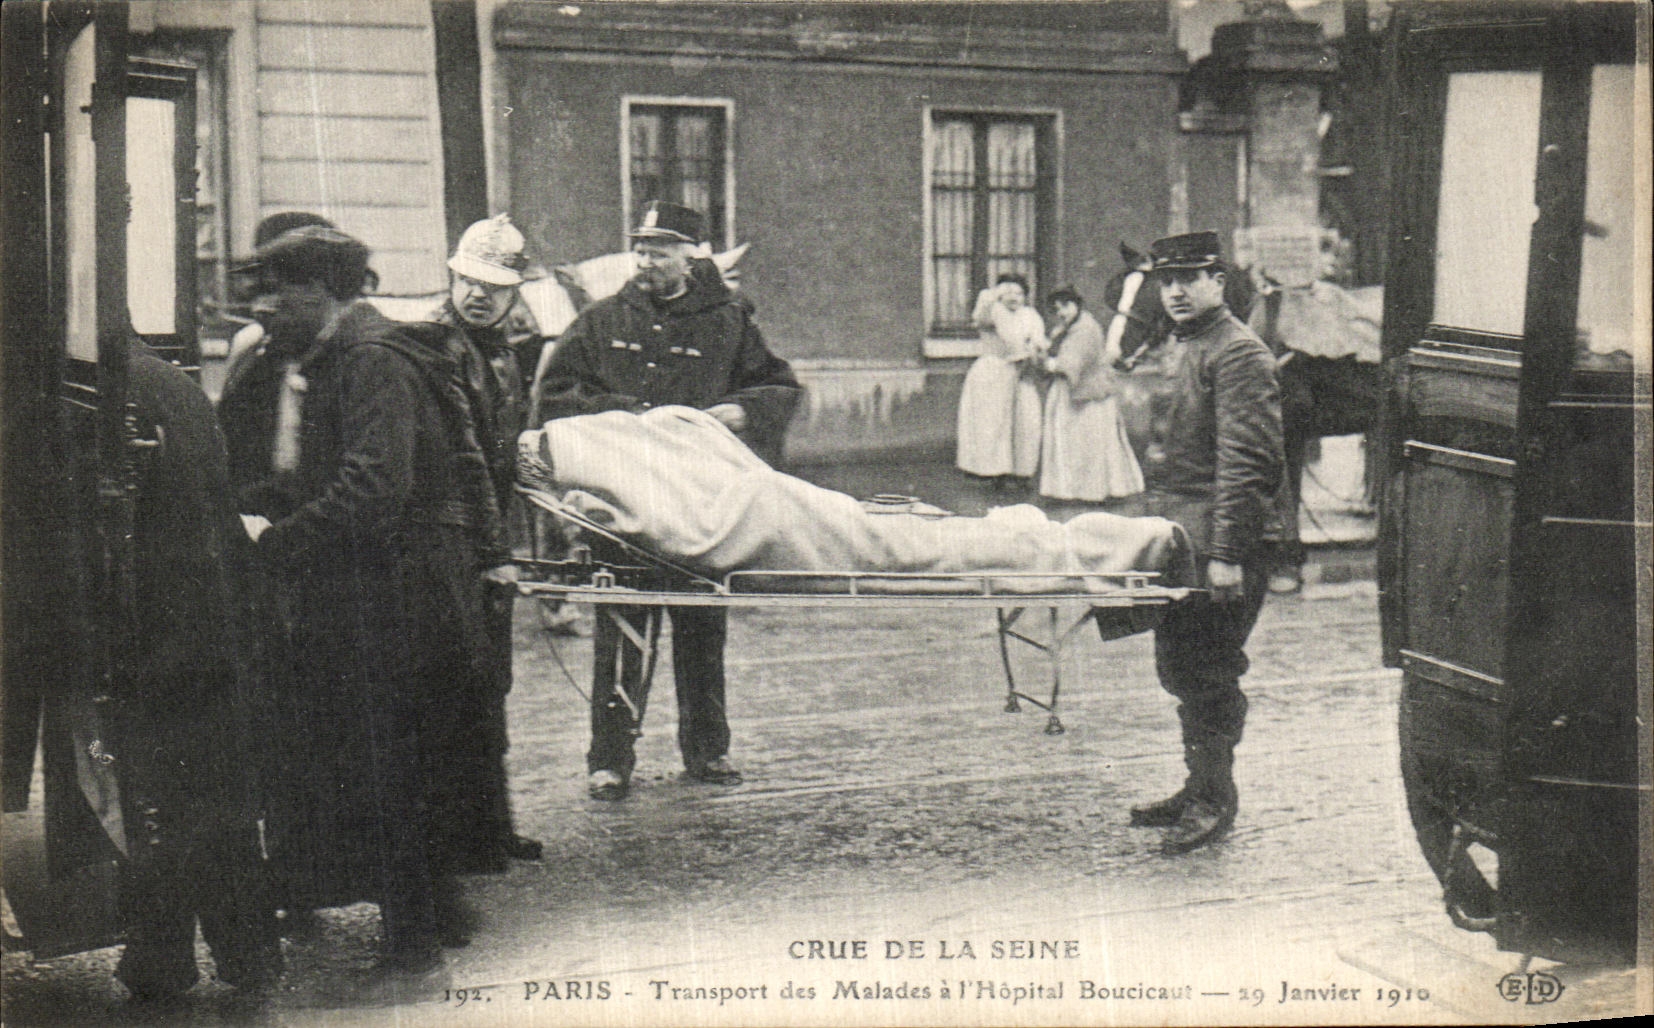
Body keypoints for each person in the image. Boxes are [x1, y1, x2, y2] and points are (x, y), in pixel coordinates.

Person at [233, 225, 496, 992]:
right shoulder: (332, 358)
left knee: (389, 768)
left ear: (327, 293)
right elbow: (320, 474)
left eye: (280, 291)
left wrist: (275, 540)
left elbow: (375, 488)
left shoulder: (372, 361)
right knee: (381, 763)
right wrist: (257, 507)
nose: (265, 307)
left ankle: (415, 949)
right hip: (379, 594)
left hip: (401, 601)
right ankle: (425, 921)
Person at [537, 200, 801, 801]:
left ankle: (708, 751)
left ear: (691, 256)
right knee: (622, 629)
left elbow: (778, 387)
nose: (647, 260)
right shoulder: (602, 321)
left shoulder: (728, 323)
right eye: (642, 248)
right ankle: (609, 759)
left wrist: (744, 409)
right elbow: (556, 394)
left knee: (702, 626)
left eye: (661, 249)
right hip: (623, 508)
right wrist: (626, 417)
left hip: (700, 507)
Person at [112, 337, 283, 1002]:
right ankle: (235, 953)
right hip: (207, 624)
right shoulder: (164, 382)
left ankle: (174, 955)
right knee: (205, 800)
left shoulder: (112, 394)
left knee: (165, 798)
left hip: (167, 630)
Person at [1110, 232, 1283, 854]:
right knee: (1181, 665)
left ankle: (1214, 800)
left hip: (1221, 544)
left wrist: (1229, 554)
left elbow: (1246, 463)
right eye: (1167, 281)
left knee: (1207, 669)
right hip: (1187, 538)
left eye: (1191, 278)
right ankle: (1198, 785)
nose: (1177, 291)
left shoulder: (1237, 353)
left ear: (1219, 281)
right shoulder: (1192, 346)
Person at [422, 213, 545, 869]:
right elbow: (466, 458)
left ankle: (490, 829)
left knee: (490, 685)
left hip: (484, 535)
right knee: (459, 690)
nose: (478, 294)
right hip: (451, 545)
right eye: (469, 280)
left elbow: (500, 448)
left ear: (514, 292)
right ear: (452, 275)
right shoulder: (439, 346)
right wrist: (497, 556)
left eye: (493, 286)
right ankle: (459, 840)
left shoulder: (501, 347)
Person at [1038, 285, 1144, 504]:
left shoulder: (1085, 329)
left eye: (1066, 306)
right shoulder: (1067, 328)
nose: (1062, 312)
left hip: (1088, 395)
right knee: (1074, 442)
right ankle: (1073, 490)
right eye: (1057, 309)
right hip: (1072, 392)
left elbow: (1071, 363)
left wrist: (1045, 362)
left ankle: (1092, 491)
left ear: (1077, 304)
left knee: (1087, 442)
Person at [955, 273, 1046, 488]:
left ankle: (1021, 472)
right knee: (994, 423)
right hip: (993, 373)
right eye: (1008, 292)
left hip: (1022, 372)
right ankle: (994, 472)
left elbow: (1037, 338)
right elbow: (983, 310)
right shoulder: (993, 311)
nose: (1014, 297)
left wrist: (1035, 352)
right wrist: (994, 295)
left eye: (1019, 292)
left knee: (1025, 421)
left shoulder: (1030, 315)